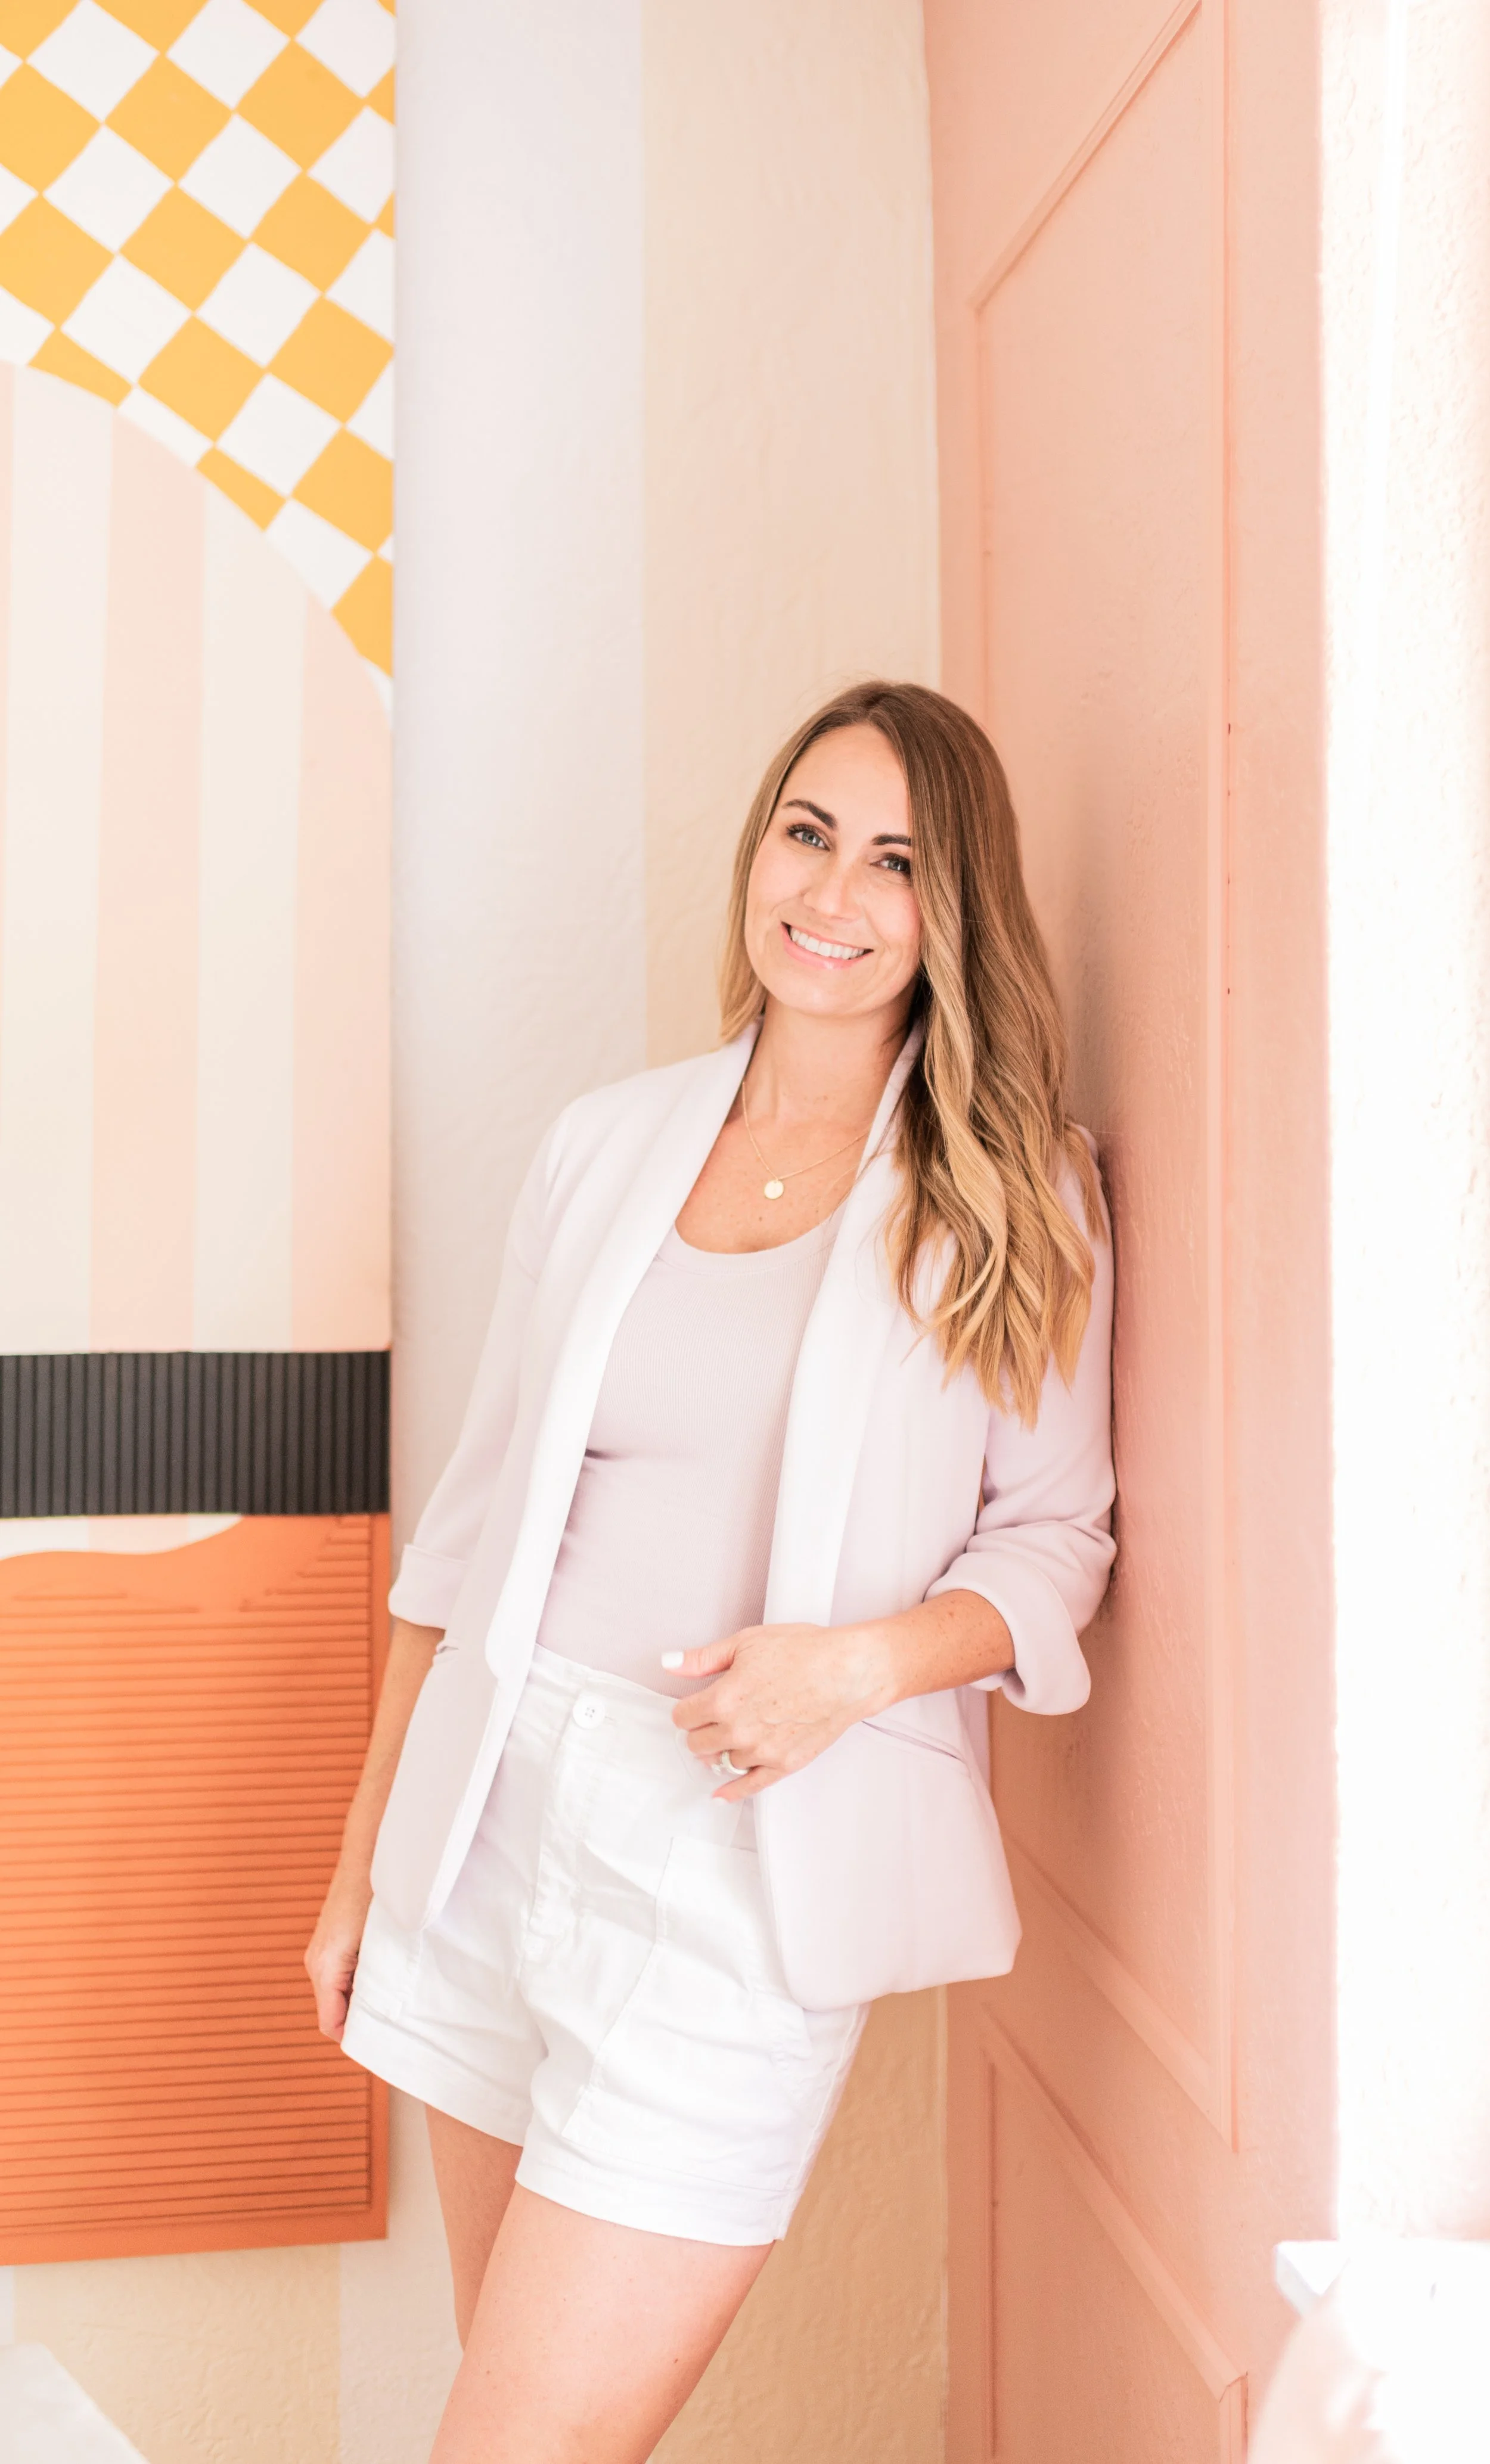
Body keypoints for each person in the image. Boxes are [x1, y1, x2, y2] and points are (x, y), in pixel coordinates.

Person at [305, 679, 1116, 2463]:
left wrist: (854, 1667)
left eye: (896, 860)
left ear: (951, 908)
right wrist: (364, 1860)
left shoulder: (1008, 1192)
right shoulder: (606, 1140)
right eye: (807, 833)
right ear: (757, 852)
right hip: (493, 1818)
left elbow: (1057, 1538)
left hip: (738, 1865)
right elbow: (466, 1527)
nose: (832, 892)